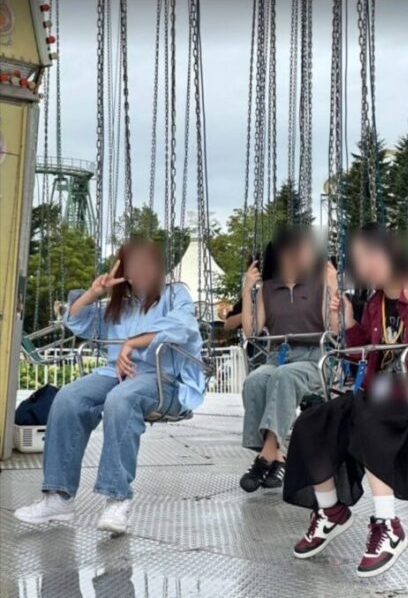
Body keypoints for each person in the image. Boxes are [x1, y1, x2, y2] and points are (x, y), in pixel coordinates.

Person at [284, 223, 408, 578]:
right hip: (380, 394)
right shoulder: (376, 303)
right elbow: (367, 355)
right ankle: (330, 510)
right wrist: (347, 322)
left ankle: (388, 526)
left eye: (372, 255)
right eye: (359, 259)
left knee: (369, 407)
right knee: (313, 420)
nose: (366, 265)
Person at [14, 239, 204, 534]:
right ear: (124, 271)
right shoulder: (119, 306)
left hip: (161, 377)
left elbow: (183, 326)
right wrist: (94, 293)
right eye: (133, 265)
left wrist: (133, 342)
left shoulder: (174, 294)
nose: (141, 271)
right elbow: (76, 321)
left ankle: (117, 498)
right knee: (68, 398)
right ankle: (58, 497)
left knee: (121, 398)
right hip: (115, 373)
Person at [239, 225, 338, 493]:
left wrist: (333, 287)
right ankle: (278, 457)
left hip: (313, 357)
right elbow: (251, 331)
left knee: (284, 377)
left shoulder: (319, 285)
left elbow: (334, 329)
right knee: (255, 381)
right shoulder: (269, 289)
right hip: (279, 356)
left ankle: (264, 459)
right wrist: (247, 291)